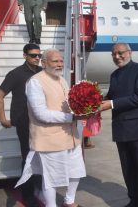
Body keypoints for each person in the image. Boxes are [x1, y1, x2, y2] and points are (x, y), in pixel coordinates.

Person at [15, 49, 86, 207]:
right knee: (51, 178)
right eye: (55, 61)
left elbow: (69, 104)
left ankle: (69, 201)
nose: (59, 64)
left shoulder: (62, 79)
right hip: (49, 139)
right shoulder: (35, 82)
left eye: (61, 61)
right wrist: (71, 117)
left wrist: (84, 108)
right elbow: (41, 114)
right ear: (44, 63)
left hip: (70, 136)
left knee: (77, 170)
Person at [100, 43, 138, 207]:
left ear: (130, 53)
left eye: (120, 53)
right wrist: (94, 103)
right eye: (113, 54)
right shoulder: (114, 75)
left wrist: (110, 104)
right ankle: (134, 199)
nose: (117, 57)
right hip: (121, 129)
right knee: (128, 170)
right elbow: (111, 96)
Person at [0, 43, 42, 207]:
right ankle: (28, 195)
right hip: (24, 122)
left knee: (41, 156)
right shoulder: (15, 74)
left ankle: (38, 187)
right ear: (24, 56)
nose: (37, 58)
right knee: (28, 158)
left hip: (41, 122)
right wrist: (2, 119)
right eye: (33, 55)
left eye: (39, 55)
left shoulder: (43, 72)